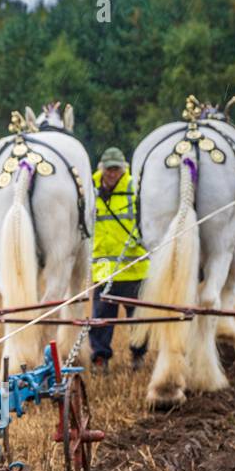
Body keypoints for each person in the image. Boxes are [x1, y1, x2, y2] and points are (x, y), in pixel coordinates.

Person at [88, 147, 148, 371]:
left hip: (134, 266)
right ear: (101, 169)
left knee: (139, 318)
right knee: (101, 317)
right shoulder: (90, 191)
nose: (112, 173)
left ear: (124, 169)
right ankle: (100, 358)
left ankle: (138, 355)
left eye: (116, 169)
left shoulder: (135, 189)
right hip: (104, 267)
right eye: (108, 169)